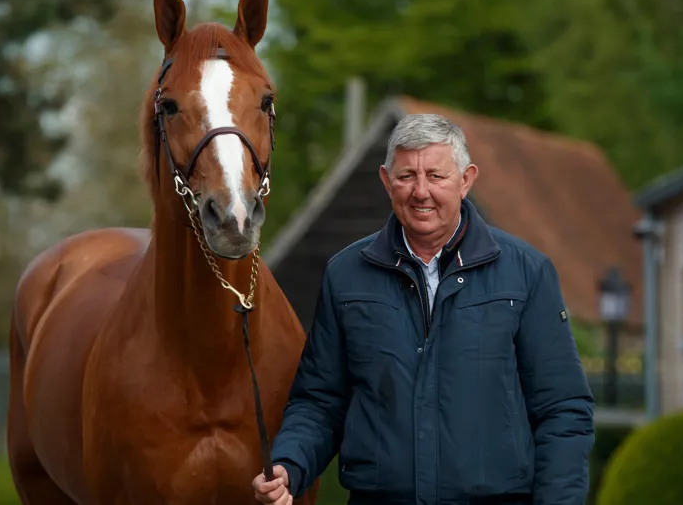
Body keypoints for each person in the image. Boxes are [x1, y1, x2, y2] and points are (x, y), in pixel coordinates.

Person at [252, 113, 595, 505]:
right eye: (406, 176)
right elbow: (319, 401)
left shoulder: (527, 273)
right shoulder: (345, 276)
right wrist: (289, 466)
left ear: (466, 180)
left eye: (436, 176)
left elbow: (563, 410)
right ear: (385, 180)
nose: (420, 191)